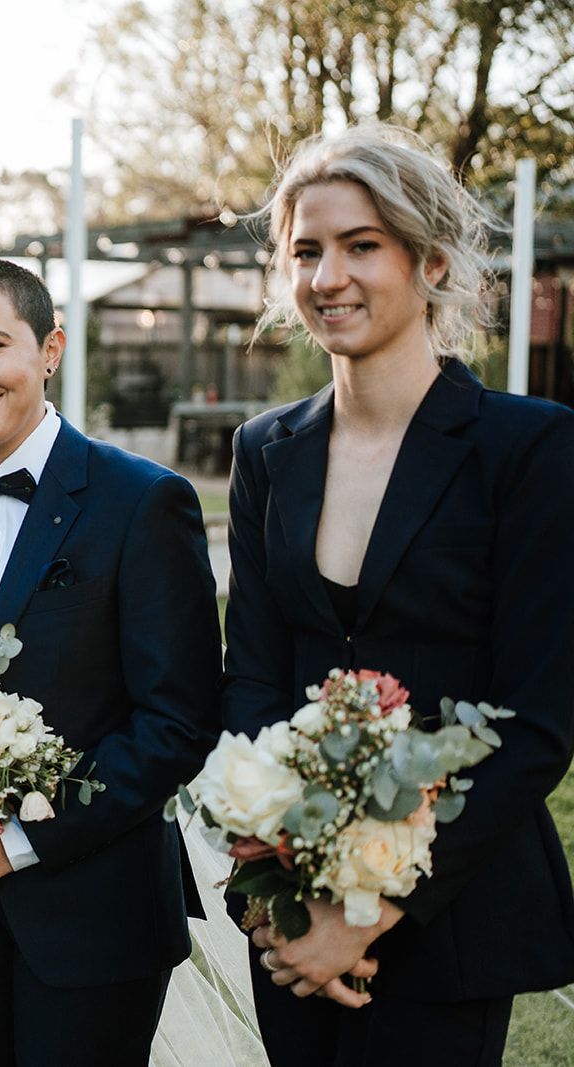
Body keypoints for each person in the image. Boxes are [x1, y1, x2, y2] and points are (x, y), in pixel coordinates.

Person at [223, 123, 574, 1065]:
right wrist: (283, 885)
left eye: (361, 245)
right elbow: (252, 681)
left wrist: (369, 908)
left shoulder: (529, 448)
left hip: (453, 914)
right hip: (290, 913)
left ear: (431, 261)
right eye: (306, 250)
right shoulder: (264, 450)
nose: (328, 275)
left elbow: (538, 718)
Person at [0, 258, 226, 1066]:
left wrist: (15, 843)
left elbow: (177, 722)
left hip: (93, 911)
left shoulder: (144, 499)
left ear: (50, 349)